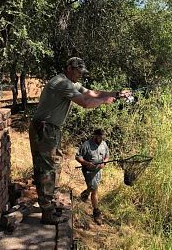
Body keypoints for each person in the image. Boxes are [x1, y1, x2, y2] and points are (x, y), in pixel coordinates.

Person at [29, 57, 131, 225]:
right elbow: (85, 102)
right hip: (45, 129)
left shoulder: (71, 83)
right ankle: (47, 212)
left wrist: (116, 94)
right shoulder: (61, 82)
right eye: (78, 71)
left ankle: (51, 205)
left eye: (82, 73)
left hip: (52, 130)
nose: (80, 75)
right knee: (47, 169)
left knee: (54, 166)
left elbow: (92, 93)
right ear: (69, 68)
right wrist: (104, 101)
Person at [75, 129, 109, 225]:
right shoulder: (86, 145)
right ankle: (96, 212)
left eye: (103, 138)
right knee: (94, 190)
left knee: (92, 187)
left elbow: (107, 155)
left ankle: (85, 193)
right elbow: (78, 156)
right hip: (88, 171)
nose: (101, 139)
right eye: (100, 137)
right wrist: (86, 163)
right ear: (95, 136)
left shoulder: (104, 144)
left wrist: (104, 162)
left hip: (98, 171)